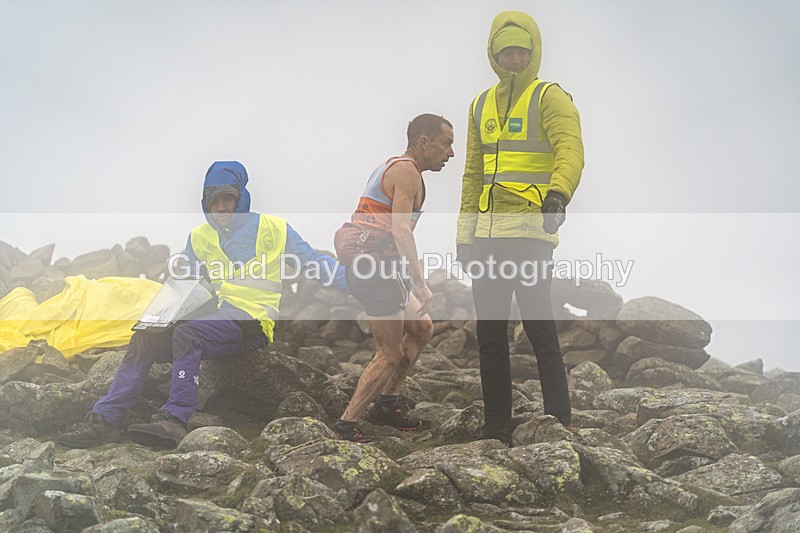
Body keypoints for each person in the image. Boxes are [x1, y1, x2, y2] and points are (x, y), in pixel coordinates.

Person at [58, 161, 348, 449]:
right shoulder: (198, 238)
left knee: (188, 333)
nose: (221, 207)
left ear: (241, 198)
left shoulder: (274, 229)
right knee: (144, 337)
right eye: (215, 201)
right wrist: (161, 319)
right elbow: (189, 286)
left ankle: (174, 419)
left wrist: (358, 284)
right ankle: (105, 420)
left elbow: (314, 263)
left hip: (253, 322)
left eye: (228, 199)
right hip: (215, 319)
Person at [456, 11, 584, 444]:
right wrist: (464, 236)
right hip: (487, 239)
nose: (513, 59)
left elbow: (570, 149)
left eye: (520, 52)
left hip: (531, 235)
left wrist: (559, 194)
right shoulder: (479, 104)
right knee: (489, 334)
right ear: (493, 55)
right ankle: (497, 428)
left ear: (533, 54)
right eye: (505, 52)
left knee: (538, 327)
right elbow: (472, 176)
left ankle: (559, 423)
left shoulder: (550, 96)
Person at [332, 114, 454, 442]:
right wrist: (420, 281)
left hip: (381, 268)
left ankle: (387, 404)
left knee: (422, 328)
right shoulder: (406, 172)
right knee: (388, 353)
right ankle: (347, 425)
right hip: (376, 271)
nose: (451, 153)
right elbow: (400, 229)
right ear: (424, 142)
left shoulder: (396, 167)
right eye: (446, 144)